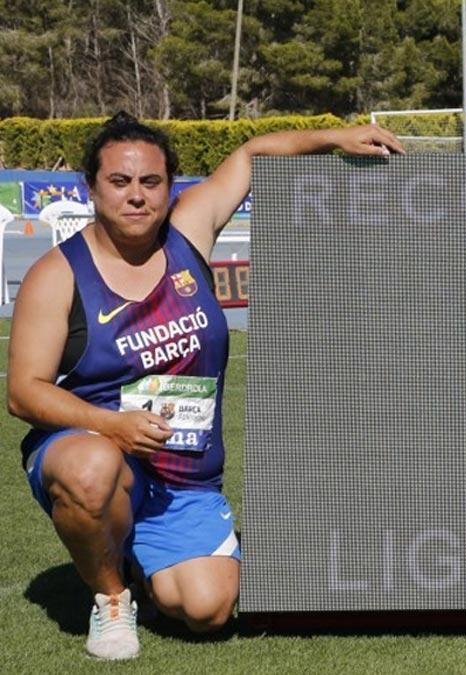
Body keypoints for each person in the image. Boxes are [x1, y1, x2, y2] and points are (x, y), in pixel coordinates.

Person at [7, 112, 403, 660]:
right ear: (91, 187)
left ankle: (133, 556)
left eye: (151, 182)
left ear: (171, 185)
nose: (137, 197)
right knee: (92, 470)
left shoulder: (189, 232)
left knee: (207, 610)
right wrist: (110, 427)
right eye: (119, 182)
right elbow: (23, 392)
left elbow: (250, 156)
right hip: (91, 446)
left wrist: (334, 137)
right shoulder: (59, 274)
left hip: (183, 474)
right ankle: (112, 597)